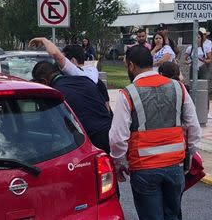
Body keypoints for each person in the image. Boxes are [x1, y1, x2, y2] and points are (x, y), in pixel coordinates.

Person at [109, 45, 201, 220]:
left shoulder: (128, 93)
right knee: (172, 216)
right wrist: (192, 153)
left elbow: (117, 137)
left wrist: (118, 163)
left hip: (144, 169)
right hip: (175, 166)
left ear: (131, 66)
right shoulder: (177, 87)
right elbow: (193, 125)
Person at [30, 54, 112, 154]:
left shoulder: (55, 95)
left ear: (44, 81)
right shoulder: (84, 79)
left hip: (90, 142)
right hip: (111, 133)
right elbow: (106, 107)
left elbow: (53, 126)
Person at [29, 37, 111, 112]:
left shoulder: (75, 75)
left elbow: (55, 54)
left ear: (73, 61)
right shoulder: (94, 75)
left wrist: (44, 40)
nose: (59, 65)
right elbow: (107, 108)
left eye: (63, 61)